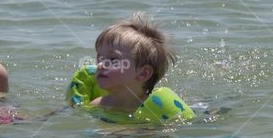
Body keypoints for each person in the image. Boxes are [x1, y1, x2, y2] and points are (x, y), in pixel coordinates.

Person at [65, 14, 194, 124]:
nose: (101, 65)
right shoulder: (97, 105)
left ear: (143, 73)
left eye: (113, 60)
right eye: (100, 58)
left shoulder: (154, 110)